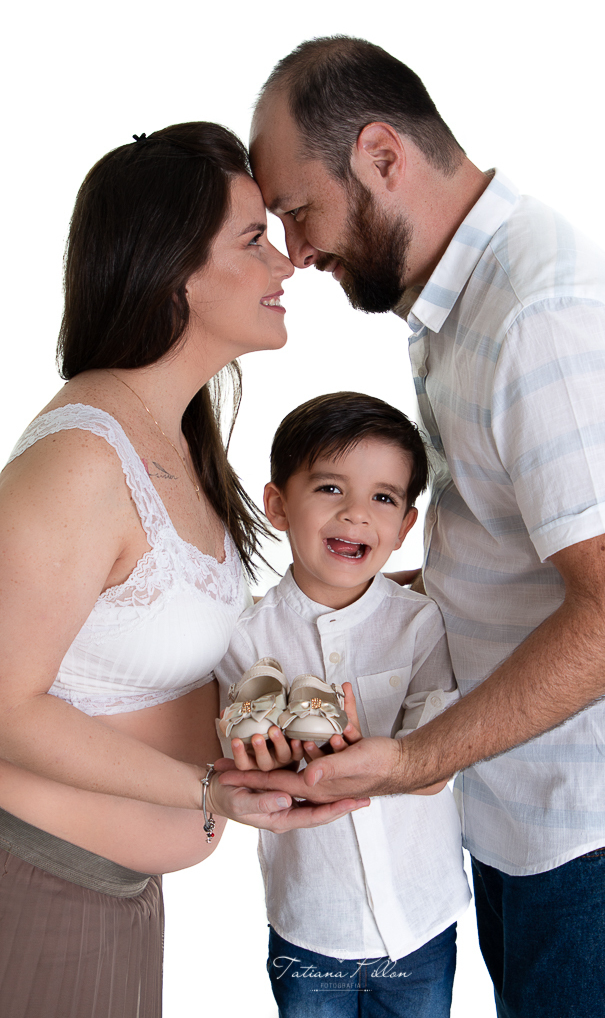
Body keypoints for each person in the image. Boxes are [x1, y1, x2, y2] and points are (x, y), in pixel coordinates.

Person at [220, 37, 605, 1016]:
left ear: (382, 156)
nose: (295, 253)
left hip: (598, 842)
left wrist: (415, 758)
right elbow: (512, 557)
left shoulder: (540, 313)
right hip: (527, 820)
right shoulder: (461, 308)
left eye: (297, 211)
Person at [0, 122, 366, 1018]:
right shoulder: (81, 461)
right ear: (176, 274)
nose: (286, 263)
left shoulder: (172, 437)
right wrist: (211, 790)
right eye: (252, 240)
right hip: (37, 885)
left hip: (111, 891)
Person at [217, 391, 470, 1017]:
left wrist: (384, 761)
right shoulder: (243, 638)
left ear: (405, 527)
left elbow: (437, 764)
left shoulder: (420, 624)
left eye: (383, 497)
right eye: (330, 488)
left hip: (422, 919)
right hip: (311, 923)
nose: (356, 513)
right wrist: (267, 765)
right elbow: (233, 762)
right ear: (278, 504)